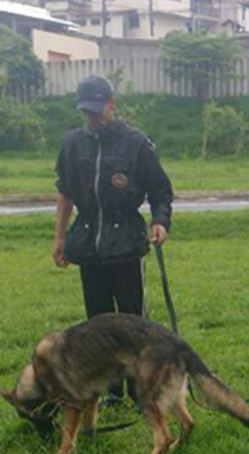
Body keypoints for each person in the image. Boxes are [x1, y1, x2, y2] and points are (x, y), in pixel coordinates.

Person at [52, 74, 174, 403]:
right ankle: (112, 391)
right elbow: (65, 194)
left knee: (133, 323)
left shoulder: (136, 143)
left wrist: (161, 221)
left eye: (96, 110)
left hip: (126, 246)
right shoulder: (72, 144)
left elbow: (161, 191)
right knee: (98, 326)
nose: (91, 118)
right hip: (89, 246)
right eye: (85, 112)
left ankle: (140, 389)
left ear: (111, 104)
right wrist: (59, 238)